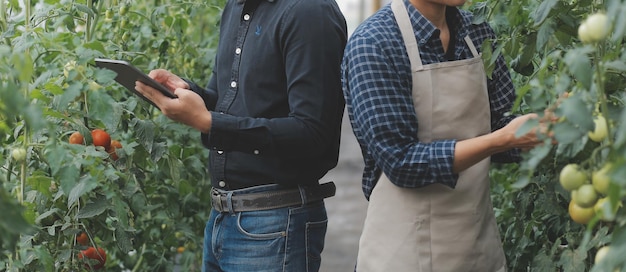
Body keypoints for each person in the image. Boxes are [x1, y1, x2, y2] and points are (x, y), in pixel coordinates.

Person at [134, 0, 347, 271]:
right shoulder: (236, 7)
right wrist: (188, 92)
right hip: (222, 218)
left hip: (276, 221)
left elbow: (313, 132)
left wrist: (208, 122)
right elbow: (227, 104)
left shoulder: (309, 11)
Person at [341, 0, 552, 271]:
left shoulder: (477, 33)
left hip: (476, 248)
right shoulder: (374, 43)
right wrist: (503, 139)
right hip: (403, 253)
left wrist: (547, 128)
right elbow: (401, 162)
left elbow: (500, 123)